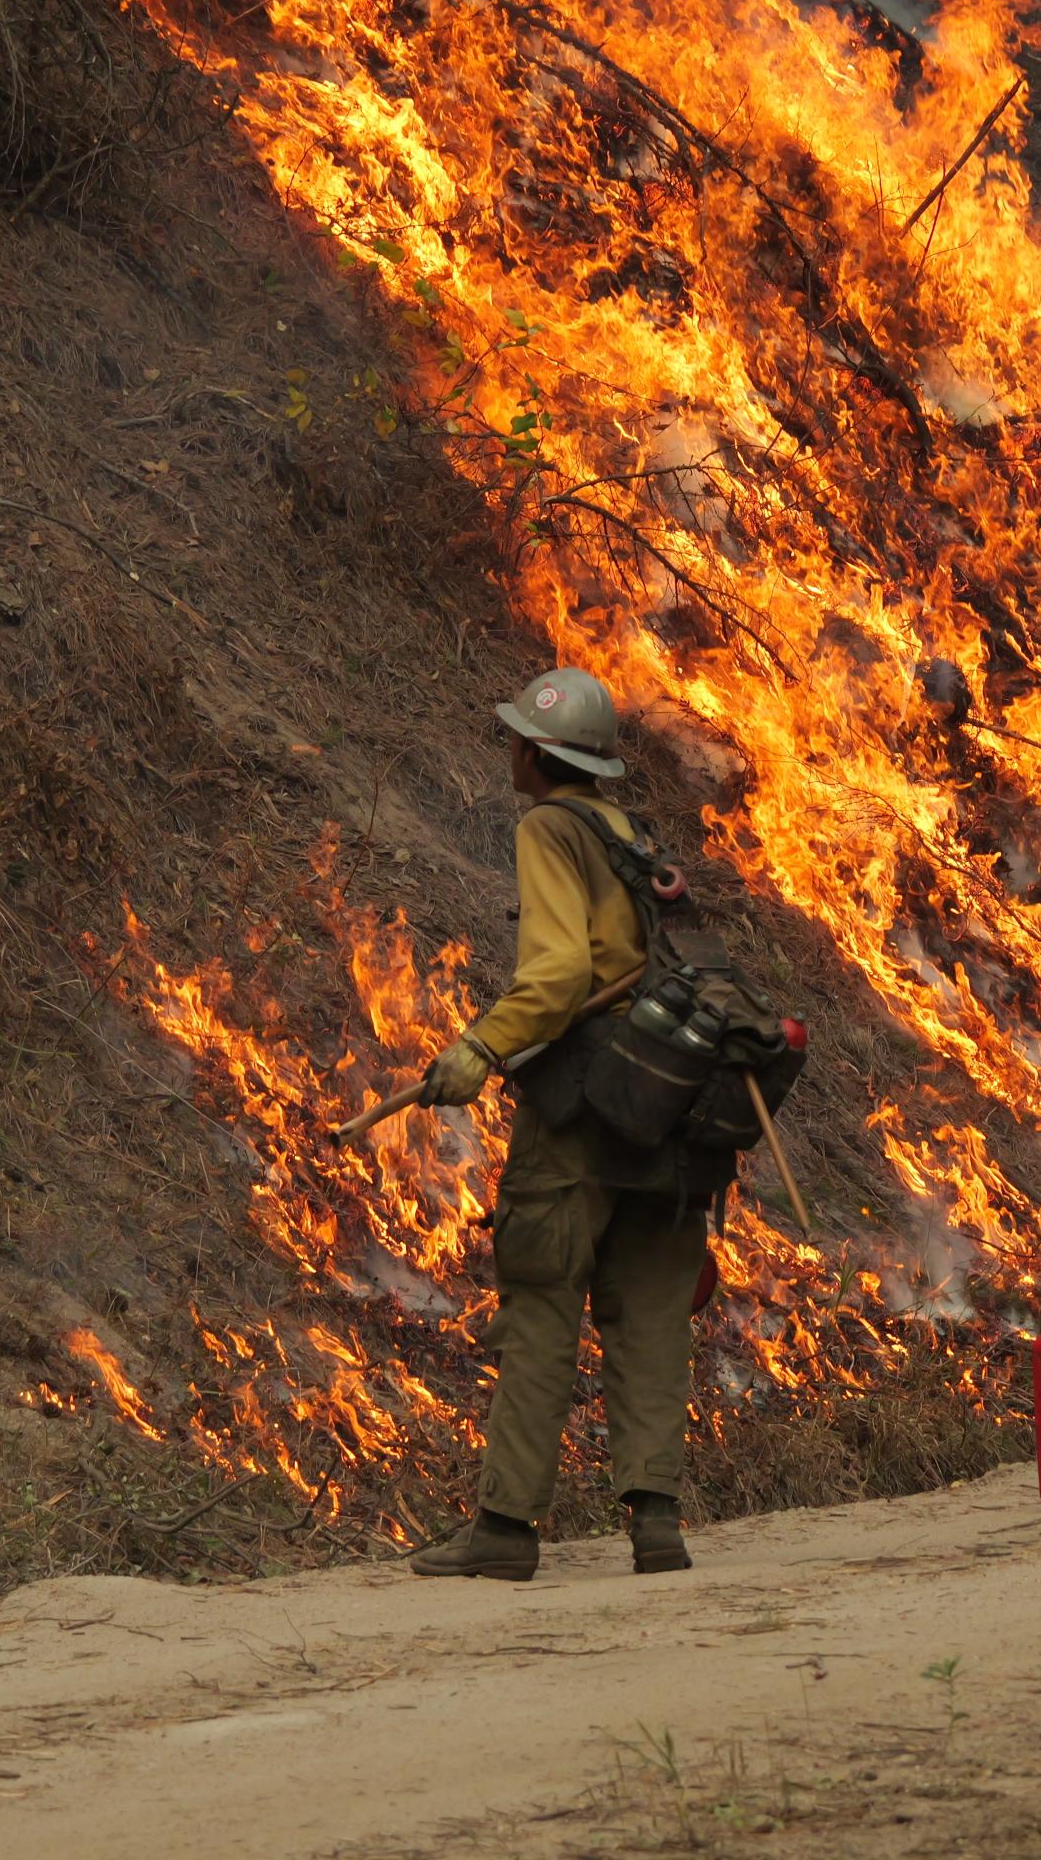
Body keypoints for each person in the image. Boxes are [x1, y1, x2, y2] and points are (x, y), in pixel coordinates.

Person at [407, 667, 713, 1580]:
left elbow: (555, 976)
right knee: (653, 1311)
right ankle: (656, 1524)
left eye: (517, 739)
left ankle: (505, 1532)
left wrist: (480, 1051)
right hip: (668, 1106)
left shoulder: (546, 828)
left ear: (536, 753)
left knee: (542, 1305)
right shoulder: (633, 837)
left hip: (583, 1104)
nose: (512, 751)